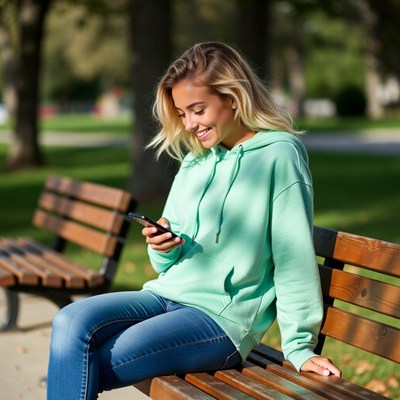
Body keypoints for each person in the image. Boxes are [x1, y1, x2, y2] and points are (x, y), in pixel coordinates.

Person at [47, 42, 341, 400]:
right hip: (167, 294)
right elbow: (166, 263)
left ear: (233, 96)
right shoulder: (196, 161)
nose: (189, 124)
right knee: (70, 321)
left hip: (220, 320)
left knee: (86, 359)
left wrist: (298, 346)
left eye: (197, 110)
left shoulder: (280, 154)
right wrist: (162, 245)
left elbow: (292, 254)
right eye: (182, 113)